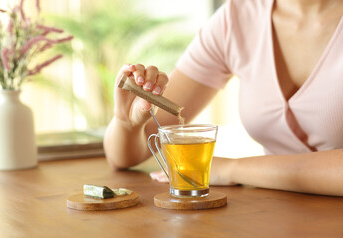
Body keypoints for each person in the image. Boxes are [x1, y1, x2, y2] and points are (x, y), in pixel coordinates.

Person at [103, 0, 343, 196]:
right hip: (274, 217)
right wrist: (126, 123)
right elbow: (126, 156)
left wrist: (232, 169)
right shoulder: (237, 18)